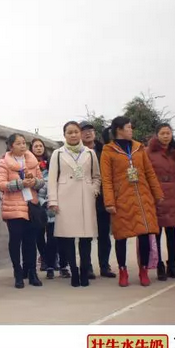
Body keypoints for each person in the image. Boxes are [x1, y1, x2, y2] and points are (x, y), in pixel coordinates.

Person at [101, 116, 164, 288]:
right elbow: (106, 179)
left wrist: (157, 194)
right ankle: (123, 270)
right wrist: (109, 202)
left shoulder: (138, 148)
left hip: (143, 197)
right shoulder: (108, 151)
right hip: (121, 199)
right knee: (121, 236)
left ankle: (143, 270)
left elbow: (149, 172)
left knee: (145, 234)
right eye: (128, 127)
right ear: (119, 130)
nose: (131, 130)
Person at [47, 121, 102, 287]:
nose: (73, 135)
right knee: (68, 238)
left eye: (76, 132)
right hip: (65, 198)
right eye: (69, 132)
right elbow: (52, 179)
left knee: (86, 238)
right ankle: (74, 272)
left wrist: (94, 189)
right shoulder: (57, 154)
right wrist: (53, 200)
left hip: (85, 197)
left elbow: (96, 176)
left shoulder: (90, 153)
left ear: (80, 133)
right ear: (64, 135)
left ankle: (85, 271)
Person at [0, 133, 45, 288]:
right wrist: (20, 183)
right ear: (11, 146)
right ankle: (18, 272)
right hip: (14, 207)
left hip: (31, 205)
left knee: (31, 241)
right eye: (18, 143)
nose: (22, 146)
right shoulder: (4, 162)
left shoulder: (32, 161)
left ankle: (32, 272)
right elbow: (1, 184)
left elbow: (41, 182)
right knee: (16, 240)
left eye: (24, 143)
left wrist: (33, 181)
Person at [146, 123, 175, 281]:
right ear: (157, 135)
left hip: (173, 196)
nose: (165, 136)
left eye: (168, 133)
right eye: (162, 133)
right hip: (156, 195)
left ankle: (172, 266)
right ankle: (159, 266)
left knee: (171, 233)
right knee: (156, 234)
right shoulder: (149, 152)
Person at [79, 121, 116, 279]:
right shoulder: (76, 152)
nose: (87, 133)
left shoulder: (104, 150)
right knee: (85, 236)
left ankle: (104, 266)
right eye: (84, 131)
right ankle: (86, 267)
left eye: (90, 130)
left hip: (102, 198)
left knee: (104, 235)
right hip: (84, 198)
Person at [37, 151, 70, 280]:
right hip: (51, 216)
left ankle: (64, 266)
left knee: (65, 243)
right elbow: (40, 195)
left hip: (65, 215)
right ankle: (50, 266)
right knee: (51, 242)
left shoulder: (68, 177)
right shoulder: (45, 178)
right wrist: (46, 203)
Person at [30, 137, 53, 272]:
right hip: (35, 202)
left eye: (41, 146)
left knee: (51, 233)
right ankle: (44, 258)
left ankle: (52, 258)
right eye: (36, 146)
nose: (39, 148)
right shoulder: (28, 164)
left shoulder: (50, 163)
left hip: (48, 201)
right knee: (39, 233)